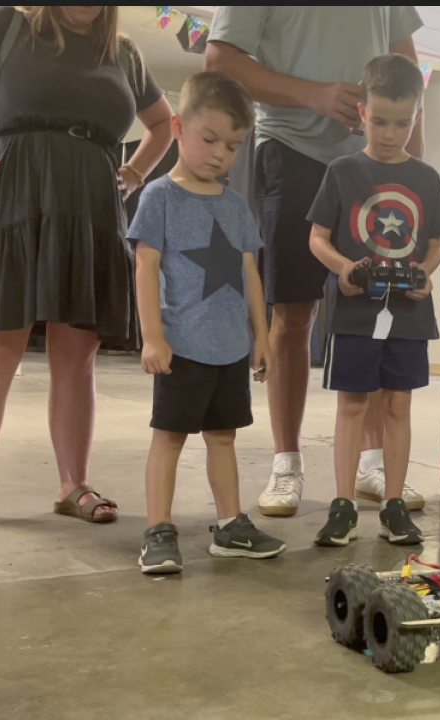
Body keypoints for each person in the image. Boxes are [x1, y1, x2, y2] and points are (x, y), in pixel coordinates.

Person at [0, 6, 173, 530]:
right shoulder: (8, 26)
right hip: (12, 199)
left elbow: (163, 123)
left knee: (77, 354)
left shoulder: (126, 53)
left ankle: (73, 484)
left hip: (90, 206)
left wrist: (136, 171)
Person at [204, 7, 428, 518]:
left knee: (379, 306)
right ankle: (287, 461)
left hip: (375, 163)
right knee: (293, 311)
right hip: (294, 148)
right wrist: (314, 94)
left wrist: (413, 173)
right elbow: (219, 60)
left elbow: (410, 72)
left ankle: (373, 461)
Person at [132, 72, 286, 573]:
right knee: (169, 437)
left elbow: (250, 273)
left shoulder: (236, 205)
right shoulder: (159, 197)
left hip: (230, 348)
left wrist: (261, 336)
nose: (221, 154)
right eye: (210, 139)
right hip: (182, 346)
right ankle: (159, 528)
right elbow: (146, 267)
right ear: (177, 126)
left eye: (234, 145)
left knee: (224, 436)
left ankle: (230, 525)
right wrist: (153, 335)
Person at [306, 54, 440, 547]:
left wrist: (425, 276)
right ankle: (342, 505)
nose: (391, 133)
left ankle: (393, 506)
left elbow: (435, 244)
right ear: (362, 111)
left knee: (399, 407)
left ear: (417, 117)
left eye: (403, 123)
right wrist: (344, 267)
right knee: (351, 405)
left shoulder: (427, 179)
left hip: (407, 315)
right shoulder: (342, 171)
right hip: (354, 310)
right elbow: (317, 238)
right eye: (381, 121)